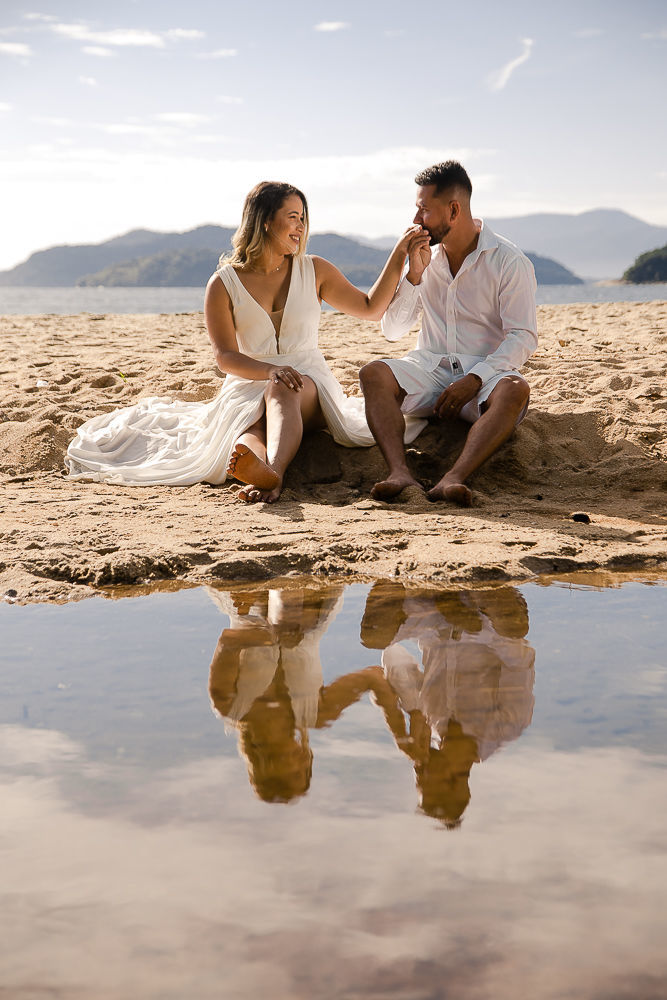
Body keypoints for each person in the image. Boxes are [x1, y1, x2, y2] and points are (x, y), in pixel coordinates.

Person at [65, 181, 427, 499]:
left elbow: (370, 307)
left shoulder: (315, 269)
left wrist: (399, 256)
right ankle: (253, 463)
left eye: (303, 217)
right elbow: (225, 357)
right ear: (265, 221)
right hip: (249, 381)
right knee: (252, 423)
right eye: (292, 217)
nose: (301, 226)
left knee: (282, 389)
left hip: (309, 384)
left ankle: (274, 475)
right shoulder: (223, 284)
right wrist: (270, 369)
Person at [359, 160, 538, 506]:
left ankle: (453, 477)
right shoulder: (426, 259)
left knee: (516, 388)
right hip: (430, 369)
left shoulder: (509, 261)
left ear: (454, 210)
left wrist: (476, 377)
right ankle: (399, 471)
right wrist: (414, 275)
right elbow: (392, 331)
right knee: (373, 373)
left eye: (424, 210)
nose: (415, 221)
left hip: (484, 379)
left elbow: (523, 336)